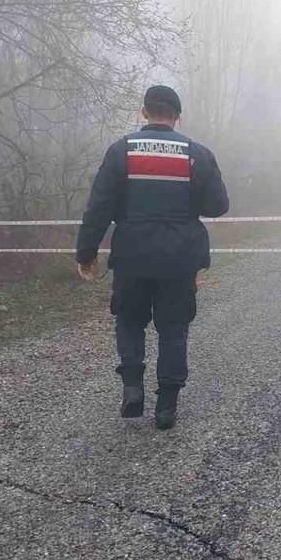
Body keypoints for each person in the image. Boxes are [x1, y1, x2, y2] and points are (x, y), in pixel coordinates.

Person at [75, 86, 230, 430]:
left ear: (143, 112)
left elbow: (98, 208)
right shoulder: (198, 154)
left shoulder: (121, 152)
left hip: (132, 255)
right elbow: (218, 206)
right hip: (179, 259)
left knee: (129, 321)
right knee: (173, 328)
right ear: (177, 116)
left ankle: (132, 387)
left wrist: (86, 253)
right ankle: (167, 406)